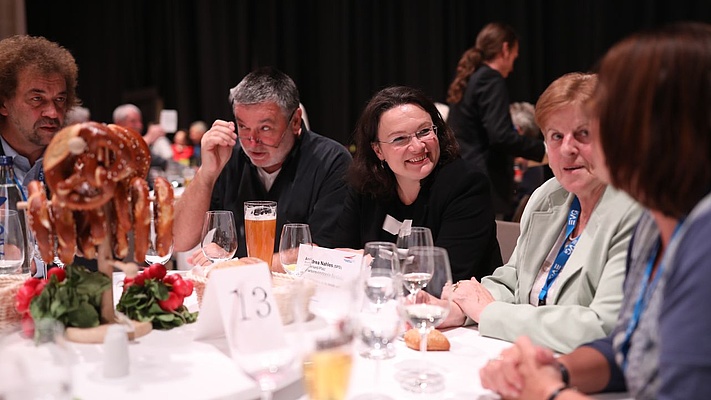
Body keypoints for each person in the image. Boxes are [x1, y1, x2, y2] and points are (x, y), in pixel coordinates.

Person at [479, 22, 711, 400]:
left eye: (613, 114)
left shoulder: (704, 240)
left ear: (672, 129)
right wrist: (557, 369)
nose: (571, 145)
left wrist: (549, 392)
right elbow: (627, 346)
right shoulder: (656, 225)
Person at [434, 73, 642, 353]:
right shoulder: (547, 196)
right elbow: (511, 280)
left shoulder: (636, 212)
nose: (567, 148)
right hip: (521, 353)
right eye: (556, 136)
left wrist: (490, 314)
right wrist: (461, 308)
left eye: (583, 134)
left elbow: (602, 327)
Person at [323, 86, 501, 286]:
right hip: (378, 308)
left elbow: (444, 278)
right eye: (400, 138)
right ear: (378, 150)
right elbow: (338, 261)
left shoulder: (467, 185)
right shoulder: (366, 186)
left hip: (454, 313)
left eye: (424, 131)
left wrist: (368, 261)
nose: (418, 146)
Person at [173, 67, 352, 266]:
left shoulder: (331, 161)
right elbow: (180, 241)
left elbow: (322, 255)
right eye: (243, 127)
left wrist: (234, 265)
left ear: (295, 121)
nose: (252, 142)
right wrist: (206, 173)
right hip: (237, 292)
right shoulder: (229, 156)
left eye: (265, 128)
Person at [447, 22, 546, 220]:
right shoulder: (490, 79)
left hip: (463, 176)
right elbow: (500, 135)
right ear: (505, 49)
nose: (512, 66)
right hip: (482, 181)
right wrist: (544, 150)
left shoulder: (472, 77)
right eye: (514, 57)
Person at [0, 35, 79, 275]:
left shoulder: (79, 163)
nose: (53, 112)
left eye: (60, 99)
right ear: (3, 103)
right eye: (37, 99)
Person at [112, 103, 172, 168]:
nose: (139, 126)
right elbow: (126, 154)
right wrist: (149, 138)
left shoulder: (144, 147)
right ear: (118, 124)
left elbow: (162, 162)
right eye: (133, 121)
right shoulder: (110, 142)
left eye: (140, 121)